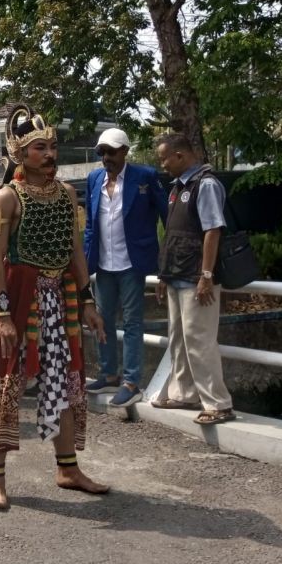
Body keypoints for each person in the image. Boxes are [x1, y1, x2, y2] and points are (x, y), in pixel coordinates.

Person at [0, 107, 108, 511]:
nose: (50, 154)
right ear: (20, 153)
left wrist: (88, 300)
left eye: (53, 147)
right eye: (40, 148)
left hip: (61, 295)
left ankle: (67, 468)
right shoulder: (4, 197)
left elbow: (75, 251)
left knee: (67, 380)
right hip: (18, 295)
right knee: (5, 382)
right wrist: (2, 314)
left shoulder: (68, 195)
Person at [154, 134, 235, 424]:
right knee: (179, 339)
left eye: (165, 158)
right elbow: (174, 234)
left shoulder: (206, 184)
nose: (162, 164)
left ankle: (218, 403)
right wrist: (164, 274)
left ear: (180, 155)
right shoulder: (177, 188)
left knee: (200, 340)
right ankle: (184, 393)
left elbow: (213, 230)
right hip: (176, 273)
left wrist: (206, 275)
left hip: (195, 276)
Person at [83, 128, 168, 407]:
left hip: (133, 262)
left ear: (125, 151)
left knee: (132, 322)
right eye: (102, 152)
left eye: (111, 151)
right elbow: (90, 226)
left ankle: (131, 381)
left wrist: (167, 259)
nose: (106, 157)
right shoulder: (94, 179)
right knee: (101, 320)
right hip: (103, 265)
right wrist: (85, 263)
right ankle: (109, 374)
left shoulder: (145, 176)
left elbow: (169, 217)